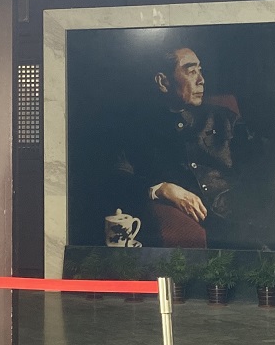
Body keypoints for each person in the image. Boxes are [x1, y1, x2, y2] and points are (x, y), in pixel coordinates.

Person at [106, 45, 253, 248]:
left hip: (249, 215)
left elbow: (260, 163)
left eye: (200, 70)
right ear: (163, 82)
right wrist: (162, 189)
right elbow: (118, 177)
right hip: (211, 230)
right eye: (191, 71)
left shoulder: (224, 118)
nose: (201, 80)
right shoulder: (136, 126)